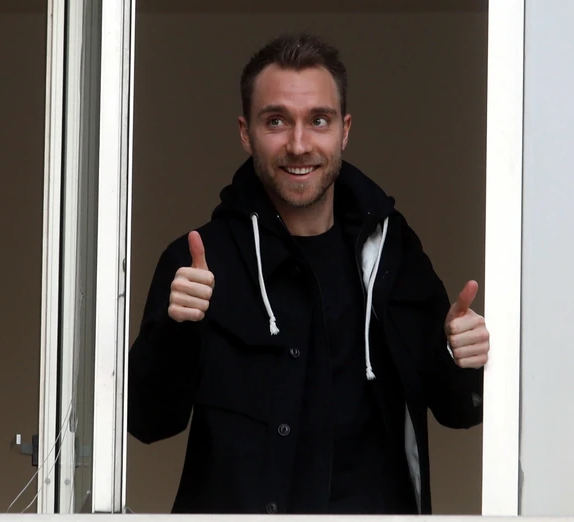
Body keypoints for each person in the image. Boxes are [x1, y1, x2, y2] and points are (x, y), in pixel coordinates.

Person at [127, 32, 490, 515]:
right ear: (245, 133)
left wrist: (463, 354)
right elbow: (147, 423)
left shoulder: (393, 252)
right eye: (276, 121)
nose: (299, 145)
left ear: (344, 130)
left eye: (318, 120)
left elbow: (458, 410)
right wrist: (175, 329)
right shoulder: (199, 261)